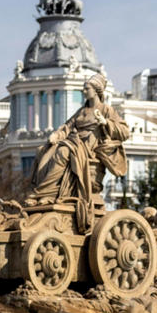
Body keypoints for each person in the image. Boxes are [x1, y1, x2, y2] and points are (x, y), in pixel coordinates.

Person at [27, 73, 129, 233]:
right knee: (43, 150)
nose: (83, 91)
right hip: (75, 143)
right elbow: (67, 127)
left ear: (96, 90)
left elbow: (124, 132)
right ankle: (42, 193)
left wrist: (106, 123)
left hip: (90, 149)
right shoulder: (82, 111)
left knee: (63, 151)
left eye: (86, 88)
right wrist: (56, 135)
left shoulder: (106, 110)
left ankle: (46, 194)